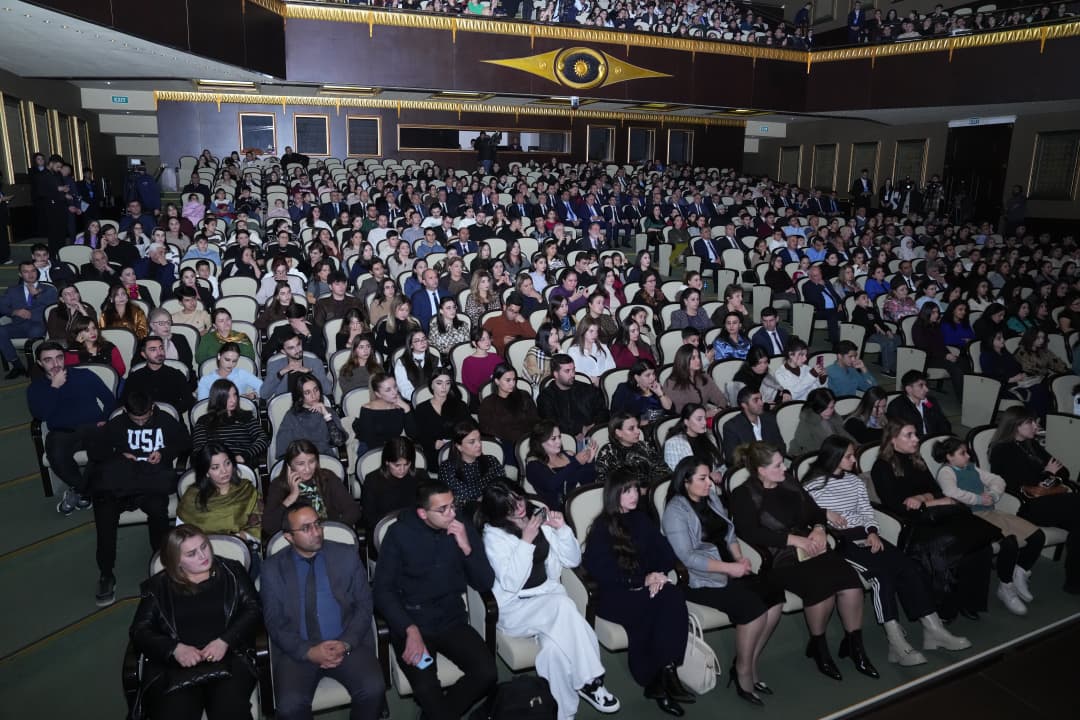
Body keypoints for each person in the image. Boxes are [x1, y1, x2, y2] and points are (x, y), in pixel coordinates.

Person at [804, 437, 971, 668]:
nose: (854, 461)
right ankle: (895, 641)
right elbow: (803, 513)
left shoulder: (854, 481)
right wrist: (824, 514)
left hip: (866, 535)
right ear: (834, 457)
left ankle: (934, 630)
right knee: (881, 576)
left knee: (909, 566)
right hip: (841, 540)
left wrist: (872, 532)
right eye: (849, 456)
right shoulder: (813, 486)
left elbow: (866, 511)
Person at [730, 442, 878, 681]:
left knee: (851, 582)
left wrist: (819, 527)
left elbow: (815, 511)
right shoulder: (744, 494)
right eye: (778, 465)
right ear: (761, 470)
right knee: (820, 587)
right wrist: (791, 540)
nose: (784, 468)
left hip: (812, 547)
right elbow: (749, 532)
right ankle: (819, 646)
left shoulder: (789, 482)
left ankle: (854, 645)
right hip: (780, 557)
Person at [477, 481, 621, 719]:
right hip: (516, 608)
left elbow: (573, 561)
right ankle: (591, 681)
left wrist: (562, 529)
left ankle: (563, 713)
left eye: (519, 499)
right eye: (510, 507)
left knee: (554, 652)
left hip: (547, 598)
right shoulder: (494, 536)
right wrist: (526, 541)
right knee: (564, 605)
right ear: (499, 512)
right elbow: (511, 582)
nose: (519, 507)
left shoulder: (539, 516)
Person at [661, 457, 784, 704]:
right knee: (753, 608)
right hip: (700, 579)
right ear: (685, 482)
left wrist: (740, 558)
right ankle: (743, 672)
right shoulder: (675, 511)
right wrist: (730, 568)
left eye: (709, 477)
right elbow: (687, 557)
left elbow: (729, 532)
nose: (710, 483)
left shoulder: (711, 497)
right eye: (702, 478)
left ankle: (748, 661)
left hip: (729, 568)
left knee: (775, 597)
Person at [372, 480, 498, 720]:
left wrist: (467, 548)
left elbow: (484, 582)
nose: (452, 513)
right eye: (443, 509)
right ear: (423, 513)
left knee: (487, 672)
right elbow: (382, 591)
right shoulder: (399, 534)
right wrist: (409, 629)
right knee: (427, 687)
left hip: (451, 619)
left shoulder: (461, 527)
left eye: (453, 505)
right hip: (413, 621)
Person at [581, 469, 695, 716]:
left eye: (635, 489)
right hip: (613, 596)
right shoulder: (602, 526)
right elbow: (600, 572)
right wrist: (641, 579)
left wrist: (657, 575)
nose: (634, 495)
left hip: (644, 588)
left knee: (670, 595)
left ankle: (663, 675)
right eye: (626, 491)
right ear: (614, 494)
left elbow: (665, 553)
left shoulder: (642, 519)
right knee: (664, 603)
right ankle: (662, 676)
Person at [261, 501, 386, 720]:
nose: (316, 532)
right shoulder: (272, 569)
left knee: (373, 689)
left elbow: (364, 604)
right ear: (289, 537)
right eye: (306, 528)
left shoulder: (346, 554)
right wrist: (308, 651)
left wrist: (346, 642)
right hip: (298, 650)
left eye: (317, 524)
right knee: (289, 706)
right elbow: (274, 621)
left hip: (346, 642)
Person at [129, 525, 261, 720]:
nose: (203, 555)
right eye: (191, 553)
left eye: (204, 546)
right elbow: (139, 630)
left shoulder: (232, 571)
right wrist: (174, 649)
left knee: (229, 710)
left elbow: (254, 609)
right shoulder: (158, 587)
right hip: (176, 667)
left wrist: (225, 640)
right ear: (176, 561)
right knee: (175, 713)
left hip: (230, 658)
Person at [871, 422, 996, 621]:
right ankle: (946, 606)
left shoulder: (916, 459)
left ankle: (970, 601)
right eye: (909, 435)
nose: (916, 439)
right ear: (893, 440)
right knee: (950, 546)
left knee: (980, 544)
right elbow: (896, 505)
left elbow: (936, 490)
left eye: (915, 434)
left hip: (937, 514)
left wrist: (921, 499)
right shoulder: (881, 467)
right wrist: (930, 501)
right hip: (914, 523)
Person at [89, 391, 190, 606]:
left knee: (158, 511)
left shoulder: (164, 420)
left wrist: (164, 453)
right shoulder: (117, 424)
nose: (142, 423)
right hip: (121, 482)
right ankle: (106, 573)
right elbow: (95, 452)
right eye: (137, 420)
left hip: (151, 482)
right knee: (104, 514)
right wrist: (119, 455)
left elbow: (185, 442)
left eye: (145, 418)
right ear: (126, 412)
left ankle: (162, 562)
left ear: (152, 408)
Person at [932, 437, 1043, 616]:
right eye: (962, 453)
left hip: (992, 512)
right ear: (949, 457)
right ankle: (1006, 587)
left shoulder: (971, 467)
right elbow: (951, 492)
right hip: (972, 518)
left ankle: (1019, 573)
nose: (968, 456)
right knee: (1009, 542)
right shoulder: (946, 472)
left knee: (1037, 536)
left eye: (967, 452)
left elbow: (998, 480)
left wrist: (993, 494)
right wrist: (978, 498)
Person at [989, 407, 1080, 594]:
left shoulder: (1030, 444)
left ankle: (1074, 581)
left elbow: (1063, 471)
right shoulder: (1001, 450)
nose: (1036, 426)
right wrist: (1047, 474)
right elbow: (1020, 483)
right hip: (1026, 505)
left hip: (1048, 500)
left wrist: (1046, 478)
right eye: (1030, 422)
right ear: (1015, 425)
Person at [27, 341, 116, 514]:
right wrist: (54, 387)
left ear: (65, 358)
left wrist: (105, 418)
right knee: (56, 455)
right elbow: (41, 415)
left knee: (103, 448)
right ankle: (86, 491)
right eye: (48, 360)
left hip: (93, 426)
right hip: (62, 432)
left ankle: (80, 491)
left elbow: (110, 400)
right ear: (39, 363)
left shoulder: (84, 375)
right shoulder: (36, 388)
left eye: (59, 358)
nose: (55, 364)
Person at [261, 440, 359, 540]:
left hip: (331, 535)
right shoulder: (278, 485)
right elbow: (269, 527)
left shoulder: (327, 478)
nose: (307, 469)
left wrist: (335, 530)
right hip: (299, 541)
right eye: (301, 464)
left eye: (312, 462)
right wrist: (291, 497)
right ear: (289, 465)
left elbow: (353, 510)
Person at [178, 443, 262, 553]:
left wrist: (244, 536)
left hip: (240, 549)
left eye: (227, 463)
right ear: (206, 472)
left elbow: (259, 523)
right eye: (215, 467)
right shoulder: (192, 496)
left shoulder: (246, 490)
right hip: (201, 553)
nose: (224, 471)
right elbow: (181, 531)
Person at [191, 379, 268, 467]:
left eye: (235, 395)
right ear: (218, 398)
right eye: (227, 397)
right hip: (215, 467)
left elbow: (263, 438)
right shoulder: (204, 421)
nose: (233, 400)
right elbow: (198, 450)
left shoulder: (246, 416)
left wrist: (244, 455)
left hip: (242, 465)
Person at [0, 261, 58, 377]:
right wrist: (15, 312)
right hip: (18, 325)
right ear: (20, 274)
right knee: (1, 331)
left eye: (33, 271)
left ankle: (35, 366)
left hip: (39, 324)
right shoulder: (13, 290)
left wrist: (36, 295)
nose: (30, 274)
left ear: (36, 272)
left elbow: (52, 307)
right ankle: (17, 365)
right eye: (26, 272)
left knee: (35, 331)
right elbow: (2, 306)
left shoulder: (48, 289)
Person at [537, 354, 610, 446]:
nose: (573, 374)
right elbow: (550, 423)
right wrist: (579, 429)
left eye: (573, 370)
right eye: (567, 371)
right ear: (556, 374)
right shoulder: (545, 397)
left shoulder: (587, 389)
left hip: (593, 435)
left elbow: (604, 412)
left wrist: (592, 427)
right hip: (563, 441)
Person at [524, 421, 597, 510]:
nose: (559, 442)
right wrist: (576, 463)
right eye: (553, 439)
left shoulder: (568, 454)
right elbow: (551, 485)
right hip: (558, 511)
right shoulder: (533, 465)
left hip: (582, 503)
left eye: (559, 437)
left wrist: (590, 461)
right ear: (540, 442)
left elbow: (588, 482)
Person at [274, 376, 348, 460]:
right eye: (307, 392)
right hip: (301, 461)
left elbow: (339, 442)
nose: (314, 395)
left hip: (325, 459)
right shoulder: (291, 416)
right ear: (300, 396)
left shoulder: (328, 412)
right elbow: (283, 451)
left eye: (316, 390)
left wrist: (326, 416)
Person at [981, 330, 1051, 419]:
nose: (1003, 340)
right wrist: (1012, 379)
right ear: (990, 341)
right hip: (1003, 387)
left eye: (1002, 337)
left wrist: (1023, 375)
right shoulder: (986, 356)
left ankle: (1042, 419)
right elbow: (991, 377)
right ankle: (1036, 420)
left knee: (1043, 385)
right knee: (1037, 390)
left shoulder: (1004, 352)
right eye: (999, 338)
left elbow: (1017, 366)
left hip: (1018, 382)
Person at [437, 420, 504, 513]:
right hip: (462, 514)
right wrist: (482, 498)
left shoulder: (491, 461)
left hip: (494, 510)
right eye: (472, 442)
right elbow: (452, 501)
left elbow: (503, 488)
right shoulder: (447, 468)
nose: (479, 444)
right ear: (459, 447)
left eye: (479, 439)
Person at [360, 437, 421, 537]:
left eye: (406, 464)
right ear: (387, 462)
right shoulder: (372, 480)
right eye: (397, 465)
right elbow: (369, 518)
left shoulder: (420, 476)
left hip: (417, 530)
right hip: (386, 532)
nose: (402, 470)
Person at [413, 368, 472, 469]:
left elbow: (468, 429)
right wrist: (433, 444)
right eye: (439, 383)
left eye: (447, 383)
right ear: (431, 385)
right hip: (434, 454)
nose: (444, 387)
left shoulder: (460, 405)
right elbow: (419, 434)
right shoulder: (422, 408)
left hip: (459, 452)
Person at [478, 363, 539, 459]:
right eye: (508, 380)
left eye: (514, 380)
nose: (512, 384)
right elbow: (487, 431)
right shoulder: (488, 403)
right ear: (497, 381)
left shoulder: (524, 396)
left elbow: (535, 420)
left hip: (529, 441)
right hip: (506, 446)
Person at [595, 412, 670, 486]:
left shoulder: (644, 445)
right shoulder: (608, 452)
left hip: (651, 489)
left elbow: (663, 469)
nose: (638, 431)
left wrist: (648, 487)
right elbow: (603, 483)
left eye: (637, 427)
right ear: (618, 433)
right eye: (631, 429)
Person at [123, 335, 193, 413]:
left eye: (161, 348)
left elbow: (188, 401)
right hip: (142, 417)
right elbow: (125, 402)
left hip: (170, 417)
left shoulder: (177, 375)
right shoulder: (135, 377)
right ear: (144, 355)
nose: (159, 352)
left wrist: (170, 411)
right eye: (153, 349)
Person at [352, 373, 416, 457]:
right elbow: (369, 441)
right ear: (378, 394)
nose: (394, 392)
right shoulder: (368, 409)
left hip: (394, 449)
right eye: (388, 390)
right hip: (372, 451)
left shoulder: (401, 407)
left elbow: (413, 435)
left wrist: (407, 409)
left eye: (395, 387)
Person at [721, 387, 786, 466]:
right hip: (749, 469)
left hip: (774, 465)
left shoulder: (769, 419)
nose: (761, 403)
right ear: (744, 405)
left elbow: (781, 446)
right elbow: (732, 458)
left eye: (761, 399)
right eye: (756, 400)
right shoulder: (731, 427)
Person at [911, 303, 965, 397]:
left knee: (963, 362)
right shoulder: (918, 327)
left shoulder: (935, 325)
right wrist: (945, 356)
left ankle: (969, 393)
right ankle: (962, 398)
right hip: (927, 358)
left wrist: (949, 354)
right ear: (926, 313)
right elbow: (924, 348)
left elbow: (941, 345)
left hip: (938, 356)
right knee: (954, 368)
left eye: (937, 312)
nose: (937, 315)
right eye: (933, 312)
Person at [662, 343, 728, 418]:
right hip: (687, 422)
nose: (698, 360)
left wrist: (719, 409)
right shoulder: (672, 383)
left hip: (708, 417)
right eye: (693, 358)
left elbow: (720, 398)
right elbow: (679, 413)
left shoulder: (704, 376)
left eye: (698, 357)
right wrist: (705, 415)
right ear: (684, 361)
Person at [262, 333, 332, 401]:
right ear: (283, 351)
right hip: (285, 405)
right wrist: (281, 373)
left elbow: (327, 390)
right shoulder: (275, 365)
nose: (298, 350)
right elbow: (264, 394)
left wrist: (310, 372)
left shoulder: (315, 363)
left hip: (311, 405)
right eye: (291, 348)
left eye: (298, 344)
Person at [886, 370, 951, 438]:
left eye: (926, 385)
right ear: (909, 389)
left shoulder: (931, 401)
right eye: (921, 385)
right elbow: (898, 434)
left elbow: (944, 423)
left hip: (933, 440)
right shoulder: (897, 407)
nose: (927, 389)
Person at [789, 388, 853, 457]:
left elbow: (844, 435)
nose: (829, 412)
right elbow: (813, 451)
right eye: (825, 408)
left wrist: (855, 447)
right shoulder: (806, 422)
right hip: (812, 458)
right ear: (817, 407)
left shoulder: (833, 417)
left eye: (832, 407)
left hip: (835, 455)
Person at [850, 291, 899, 377]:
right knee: (888, 342)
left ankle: (890, 363)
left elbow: (880, 322)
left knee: (898, 339)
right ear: (857, 301)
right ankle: (887, 369)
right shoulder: (857, 312)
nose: (867, 299)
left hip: (878, 334)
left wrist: (887, 330)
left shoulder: (871, 310)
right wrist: (876, 327)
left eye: (867, 297)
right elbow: (864, 326)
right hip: (867, 335)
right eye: (863, 298)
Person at [768, 336, 827, 401]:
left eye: (805, 355)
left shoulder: (806, 368)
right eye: (801, 355)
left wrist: (822, 381)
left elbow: (818, 391)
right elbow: (791, 396)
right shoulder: (780, 374)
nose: (805, 358)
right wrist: (811, 376)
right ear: (791, 355)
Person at [197, 342, 262, 401]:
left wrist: (253, 395)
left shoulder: (241, 374)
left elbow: (263, 388)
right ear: (219, 356)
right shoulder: (206, 380)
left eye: (234, 361)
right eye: (227, 360)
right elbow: (202, 405)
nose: (231, 364)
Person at [565, 317, 616, 385]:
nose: (595, 335)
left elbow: (611, 366)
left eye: (596, 331)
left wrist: (603, 380)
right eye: (591, 331)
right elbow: (577, 373)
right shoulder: (574, 351)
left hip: (605, 382)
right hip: (585, 384)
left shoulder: (603, 347)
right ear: (583, 331)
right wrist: (593, 380)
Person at [523, 322, 560, 390]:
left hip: (553, 384)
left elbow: (565, 368)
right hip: (535, 388)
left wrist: (560, 351)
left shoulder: (556, 350)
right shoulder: (534, 353)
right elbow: (536, 379)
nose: (555, 337)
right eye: (551, 334)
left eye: (556, 333)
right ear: (544, 337)